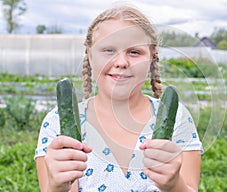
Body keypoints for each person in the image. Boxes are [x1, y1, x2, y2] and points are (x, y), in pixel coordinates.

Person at [35, 5, 203, 192]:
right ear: (90, 56)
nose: (121, 62)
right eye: (108, 50)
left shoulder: (179, 118)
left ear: (151, 58)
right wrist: (56, 186)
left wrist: (173, 185)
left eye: (134, 52)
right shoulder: (56, 122)